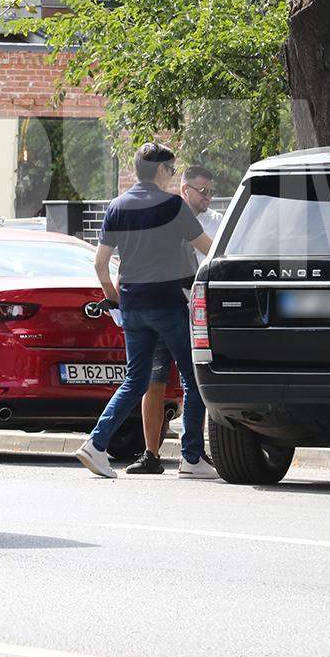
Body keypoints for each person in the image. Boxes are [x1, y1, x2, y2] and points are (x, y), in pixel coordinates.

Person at [75, 144, 217, 480]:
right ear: (162, 171)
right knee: (193, 380)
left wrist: (114, 298)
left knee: (135, 379)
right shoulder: (173, 206)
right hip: (169, 304)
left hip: (133, 306)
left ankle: (96, 444)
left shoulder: (117, 206)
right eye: (170, 169)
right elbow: (208, 251)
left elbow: (100, 263)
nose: (171, 174)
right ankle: (192, 459)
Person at [132, 164, 221, 474]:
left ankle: (191, 454)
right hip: (163, 309)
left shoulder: (216, 224)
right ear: (185, 189)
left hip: (192, 314)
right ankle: (150, 455)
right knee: (153, 383)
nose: (208, 197)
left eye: (211, 191)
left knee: (192, 382)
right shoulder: (164, 218)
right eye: (203, 191)